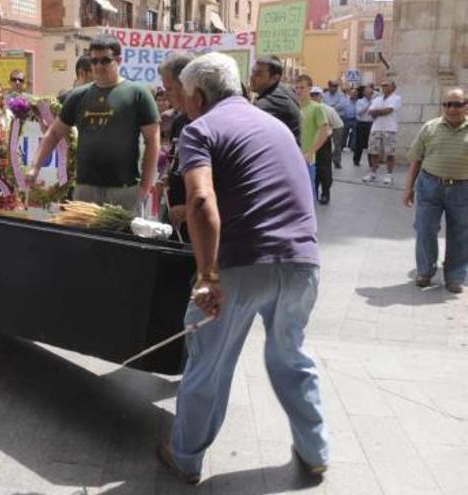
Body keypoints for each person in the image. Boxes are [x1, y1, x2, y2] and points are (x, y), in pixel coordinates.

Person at [156, 52, 328, 485]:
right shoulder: (276, 126)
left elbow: (200, 201)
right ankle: (316, 450)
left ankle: (186, 456)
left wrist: (208, 275)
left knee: (208, 363)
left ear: (196, 94)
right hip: (302, 261)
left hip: (241, 264)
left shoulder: (201, 128)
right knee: (291, 355)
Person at [26, 34, 160, 214]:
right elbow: (54, 133)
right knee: (84, 242)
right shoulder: (77, 96)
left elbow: (153, 141)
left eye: (105, 61)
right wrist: (35, 167)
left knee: (121, 242)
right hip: (85, 190)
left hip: (125, 190)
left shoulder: (138, 94)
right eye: (94, 61)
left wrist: (145, 186)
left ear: (118, 60)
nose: (98, 66)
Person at [403, 88, 468, 294]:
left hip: (462, 189)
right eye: (447, 104)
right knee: (425, 229)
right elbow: (416, 159)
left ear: (466, 105)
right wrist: (408, 189)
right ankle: (425, 272)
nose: (451, 109)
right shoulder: (430, 128)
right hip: (430, 185)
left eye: (456, 104)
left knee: (460, 233)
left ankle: (455, 276)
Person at [157, 51, 196, 242]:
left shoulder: (208, 124)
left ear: (186, 86)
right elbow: (176, 159)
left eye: (169, 89)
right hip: (176, 223)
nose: (165, 96)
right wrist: (167, 176)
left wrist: (190, 210)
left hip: (200, 226)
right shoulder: (179, 120)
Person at [295, 75, 332, 199]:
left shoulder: (317, 108)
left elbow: (325, 132)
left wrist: (311, 152)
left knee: (307, 197)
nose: (299, 90)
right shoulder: (294, 107)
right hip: (293, 158)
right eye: (297, 87)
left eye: (302, 87)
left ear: (310, 88)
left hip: (307, 160)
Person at [249, 55, 301, 143]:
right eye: (253, 72)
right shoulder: (283, 90)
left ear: (274, 78)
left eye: (258, 74)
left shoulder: (273, 100)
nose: (252, 77)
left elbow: (246, 119)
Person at [363, 80, 401, 186]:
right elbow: (370, 112)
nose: (383, 87)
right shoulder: (377, 99)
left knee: (390, 153)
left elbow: (388, 110)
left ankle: (389, 174)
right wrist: (380, 111)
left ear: (393, 87)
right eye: (382, 85)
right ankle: (373, 173)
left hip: (390, 128)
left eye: (386, 85)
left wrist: (377, 112)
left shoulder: (396, 98)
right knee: (373, 152)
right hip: (376, 128)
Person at [311, 86, 343, 204]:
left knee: (324, 168)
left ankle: (325, 193)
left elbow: (338, 126)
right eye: (312, 94)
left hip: (324, 142)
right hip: (309, 142)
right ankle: (312, 192)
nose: (314, 97)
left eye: (316, 95)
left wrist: (336, 144)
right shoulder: (305, 109)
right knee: (310, 168)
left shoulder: (328, 110)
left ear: (321, 96)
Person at [322, 80, 349, 169]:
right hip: (326, 121)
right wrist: (333, 106)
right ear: (329, 86)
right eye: (332, 86)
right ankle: (326, 160)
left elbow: (343, 105)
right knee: (324, 142)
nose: (334, 88)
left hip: (338, 121)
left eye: (335, 86)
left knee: (337, 143)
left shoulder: (341, 95)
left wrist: (329, 106)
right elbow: (321, 104)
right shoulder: (324, 95)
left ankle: (337, 161)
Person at [353, 85, 374, 166]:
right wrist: (368, 106)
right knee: (359, 144)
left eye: (371, 93)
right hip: (361, 123)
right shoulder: (360, 101)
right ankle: (356, 160)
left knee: (371, 144)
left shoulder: (374, 101)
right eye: (368, 92)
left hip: (371, 123)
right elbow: (359, 112)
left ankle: (371, 162)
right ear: (364, 93)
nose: (370, 94)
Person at [343, 87, 359, 155]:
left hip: (356, 119)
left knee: (355, 134)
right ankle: (342, 146)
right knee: (344, 133)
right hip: (347, 119)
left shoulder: (359, 101)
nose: (354, 95)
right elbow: (343, 109)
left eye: (355, 93)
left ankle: (353, 147)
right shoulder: (346, 101)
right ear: (350, 94)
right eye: (353, 93)